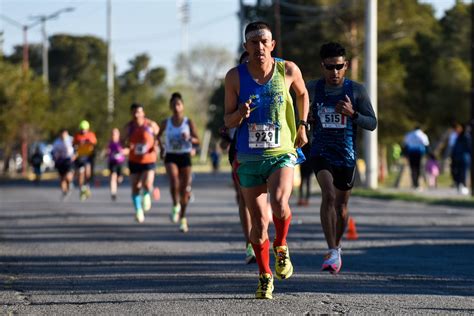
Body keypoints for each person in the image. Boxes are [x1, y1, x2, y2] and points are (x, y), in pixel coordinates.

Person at [224, 21, 309, 299]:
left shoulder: (288, 70)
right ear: (245, 47)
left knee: (280, 203)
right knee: (259, 225)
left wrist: (303, 125)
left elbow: (303, 93)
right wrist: (239, 114)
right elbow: (226, 120)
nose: (259, 47)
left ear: (272, 45)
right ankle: (264, 276)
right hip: (249, 159)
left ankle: (281, 246)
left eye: (264, 42)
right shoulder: (234, 77)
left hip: (281, 153)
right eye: (254, 42)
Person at [307, 42, 377, 275]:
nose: (334, 72)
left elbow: (372, 123)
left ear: (346, 65)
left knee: (342, 206)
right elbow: (298, 114)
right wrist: (305, 119)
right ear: (322, 66)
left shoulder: (357, 91)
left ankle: (337, 246)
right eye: (329, 67)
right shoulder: (312, 89)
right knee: (328, 194)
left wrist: (353, 114)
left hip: (346, 155)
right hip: (320, 151)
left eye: (338, 67)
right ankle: (332, 249)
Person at [158, 92, 200, 233]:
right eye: (174, 104)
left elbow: (197, 140)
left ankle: (182, 218)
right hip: (171, 155)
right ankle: (175, 205)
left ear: (182, 106)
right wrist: (161, 147)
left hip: (185, 156)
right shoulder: (166, 122)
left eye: (179, 104)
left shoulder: (188, 122)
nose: (176, 107)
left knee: (185, 189)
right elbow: (157, 136)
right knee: (174, 181)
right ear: (170, 106)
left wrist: (189, 138)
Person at [122, 103, 160, 223]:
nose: (136, 115)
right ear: (131, 113)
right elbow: (123, 142)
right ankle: (138, 211)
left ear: (143, 113)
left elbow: (159, 137)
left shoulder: (150, 125)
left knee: (147, 183)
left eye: (139, 112)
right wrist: (129, 146)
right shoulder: (128, 127)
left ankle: (148, 194)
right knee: (135, 186)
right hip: (134, 160)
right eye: (134, 112)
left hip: (149, 159)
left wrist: (156, 146)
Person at [73, 120, 97, 201]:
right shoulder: (77, 136)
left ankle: (87, 186)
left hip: (88, 157)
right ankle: (82, 189)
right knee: (80, 174)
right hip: (80, 158)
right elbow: (74, 145)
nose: (83, 131)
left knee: (87, 173)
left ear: (88, 129)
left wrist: (89, 142)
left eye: (85, 129)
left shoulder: (91, 135)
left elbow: (94, 143)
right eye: (82, 129)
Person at [52, 129, 75, 200]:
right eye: (62, 134)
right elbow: (53, 152)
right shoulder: (57, 142)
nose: (64, 136)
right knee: (62, 178)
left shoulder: (71, 140)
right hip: (60, 161)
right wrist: (55, 158)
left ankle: (70, 183)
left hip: (68, 159)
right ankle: (65, 192)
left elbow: (76, 148)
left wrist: (75, 156)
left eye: (65, 134)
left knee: (68, 175)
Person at [451, 124, 471, 195]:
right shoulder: (460, 137)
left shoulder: (464, 137)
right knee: (460, 173)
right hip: (460, 158)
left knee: (463, 173)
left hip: (463, 157)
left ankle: (463, 186)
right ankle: (461, 186)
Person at [107, 128, 126, 201]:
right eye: (112, 134)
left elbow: (127, 150)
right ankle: (113, 193)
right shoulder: (110, 143)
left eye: (115, 134)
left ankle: (116, 185)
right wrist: (107, 153)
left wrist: (122, 151)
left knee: (119, 179)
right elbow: (107, 151)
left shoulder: (121, 142)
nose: (114, 135)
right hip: (112, 162)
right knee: (113, 177)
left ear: (118, 135)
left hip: (120, 163)